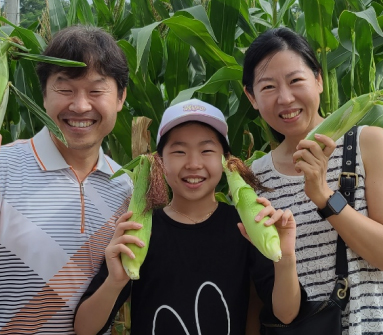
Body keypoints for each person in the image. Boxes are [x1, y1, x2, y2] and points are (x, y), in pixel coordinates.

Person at [74, 99, 301, 335]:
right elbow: (84, 328)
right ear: (159, 162)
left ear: (225, 160)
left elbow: (287, 313)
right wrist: (115, 282)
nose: (193, 164)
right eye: (179, 151)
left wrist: (285, 258)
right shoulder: (141, 230)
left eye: (206, 151)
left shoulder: (245, 229)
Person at [242, 27, 383, 335]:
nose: (285, 98)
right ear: (251, 97)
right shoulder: (255, 179)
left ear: (318, 79)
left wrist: (323, 195)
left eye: (296, 80)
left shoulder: (368, 145)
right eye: (267, 87)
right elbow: (265, 295)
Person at [0, 25, 132, 335]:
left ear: (121, 98)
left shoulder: (127, 190)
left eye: (96, 90)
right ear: (43, 94)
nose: (81, 106)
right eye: (65, 89)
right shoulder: (4, 169)